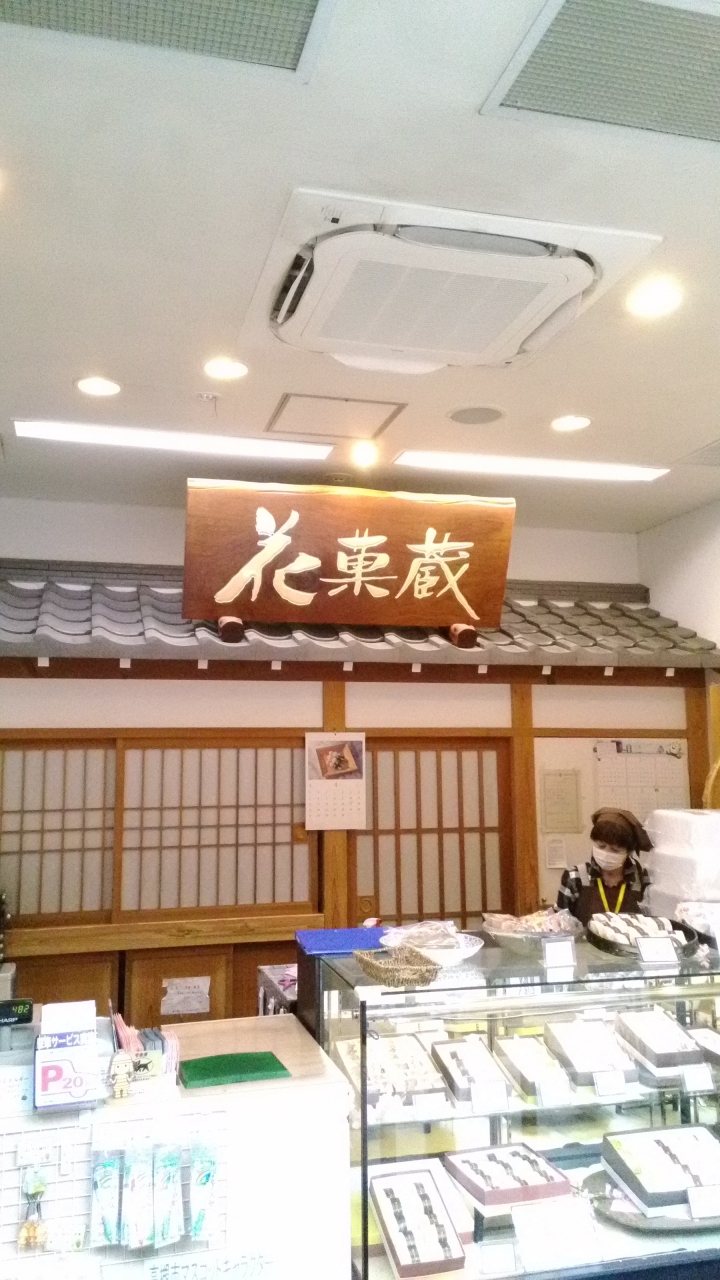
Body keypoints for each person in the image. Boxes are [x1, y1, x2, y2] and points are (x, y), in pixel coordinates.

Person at [556, 807, 652, 925]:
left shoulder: (642, 880)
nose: (606, 853)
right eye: (601, 846)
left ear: (628, 851)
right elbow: (560, 924)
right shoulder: (575, 877)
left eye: (615, 850)